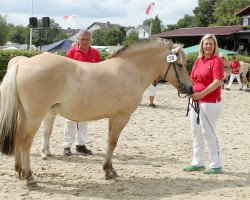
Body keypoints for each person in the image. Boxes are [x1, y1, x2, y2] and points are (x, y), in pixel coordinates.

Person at [184, 34, 224, 174]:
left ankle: (215, 164)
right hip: (194, 102)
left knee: (208, 133)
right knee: (196, 133)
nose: (208, 46)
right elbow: (191, 79)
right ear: (202, 45)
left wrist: (200, 94)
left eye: (211, 44)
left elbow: (217, 82)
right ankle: (198, 162)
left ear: (214, 46)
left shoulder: (216, 61)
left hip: (210, 102)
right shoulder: (198, 61)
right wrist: (189, 92)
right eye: (206, 43)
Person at [63, 29, 101, 156]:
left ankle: (80, 145)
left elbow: (99, 71)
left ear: (91, 40)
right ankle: (66, 146)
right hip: (72, 90)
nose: (84, 42)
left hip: (89, 91)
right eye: (82, 39)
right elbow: (64, 71)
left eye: (87, 40)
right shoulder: (72, 52)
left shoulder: (95, 53)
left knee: (85, 118)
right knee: (70, 119)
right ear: (78, 40)